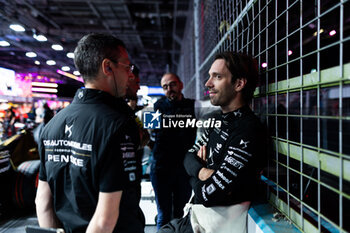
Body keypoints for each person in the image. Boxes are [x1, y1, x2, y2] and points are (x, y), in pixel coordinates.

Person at [35, 33, 144, 233]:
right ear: (107, 67)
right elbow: (105, 220)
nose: (130, 74)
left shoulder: (51, 125)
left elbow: (43, 201)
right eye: (127, 67)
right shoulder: (118, 125)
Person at [159, 52, 268, 233]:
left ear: (239, 84)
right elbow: (188, 157)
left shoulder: (247, 129)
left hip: (209, 225)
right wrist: (202, 172)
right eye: (210, 76)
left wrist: (194, 173)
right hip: (194, 217)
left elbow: (207, 195)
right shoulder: (214, 119)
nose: (207, 83)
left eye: (217, 77)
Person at [151, 73, 197, 229]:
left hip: (183, 170)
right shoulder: (157, 107)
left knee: (179, 213)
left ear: (181, 85)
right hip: (161, 168)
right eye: (165, 87)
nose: (169, 89)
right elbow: (151, 135)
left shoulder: (192, 106)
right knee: (163, 214)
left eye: (172, 85)